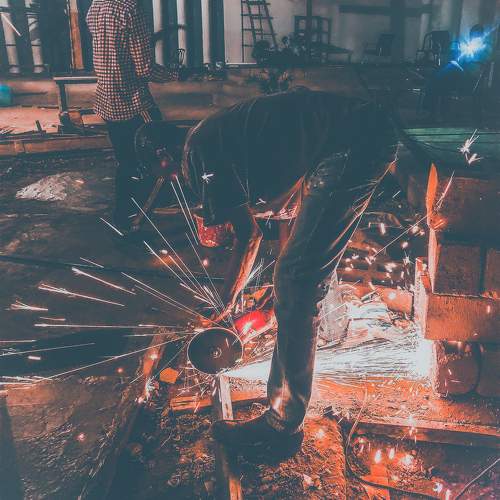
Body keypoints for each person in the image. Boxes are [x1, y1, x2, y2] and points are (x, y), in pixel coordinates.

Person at [137, 88, 399, 458]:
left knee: (296, 279)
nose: (164, 180)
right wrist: (280, 286)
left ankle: (280, 427)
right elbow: (289, 217)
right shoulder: (214, 142)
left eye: (156, 172)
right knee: (294, 275)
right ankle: (286, 405)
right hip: (355, 135)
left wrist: (226, 303)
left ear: (162, 156)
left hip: (353, 143)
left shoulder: (198, 154)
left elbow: (249, 235)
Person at [86, 0, 180, 233]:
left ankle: (126, 215)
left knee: (127, 161)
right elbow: (144, 69)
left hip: (107, 100)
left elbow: (109, 44)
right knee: (165, 148)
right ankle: (148, 206)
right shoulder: (130, 10)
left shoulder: (97, 4)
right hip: (133, 102)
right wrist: (175, 75)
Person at [422, 24, 492, 121]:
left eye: (476, 35)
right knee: (439, 78)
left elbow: (480, 63)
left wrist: (471, 54)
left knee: (442, 75)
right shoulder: (471, 47)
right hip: (462, 76)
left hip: (471, 80)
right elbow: (462, 61)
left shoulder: (485, 48)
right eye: (472, 35)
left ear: (481, 36)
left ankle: (433, 112)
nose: (473, 38)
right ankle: (436, 112)